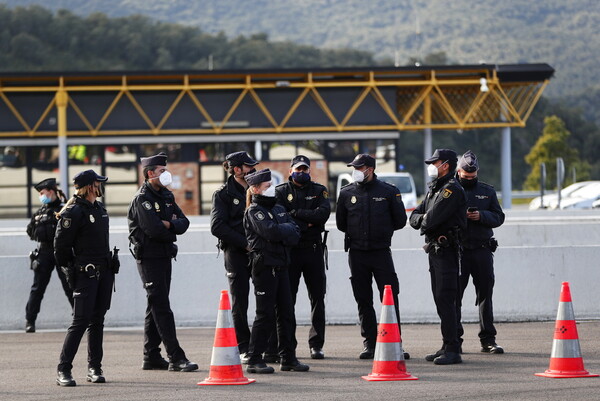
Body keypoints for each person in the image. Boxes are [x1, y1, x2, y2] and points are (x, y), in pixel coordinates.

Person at [127, 152, 198, 372]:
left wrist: (169, 225)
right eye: (162, 171)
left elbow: (184, 223)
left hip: (164, 255)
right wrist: (169, 225)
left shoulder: (166, 196)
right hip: (149, 258)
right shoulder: (142, 199)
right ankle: (176, 357)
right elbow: (154, 230)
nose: (166, 174)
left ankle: (151, 356)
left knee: (155, 304)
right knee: (161, 307)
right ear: (150, 174)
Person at [335, 154, 408, 360]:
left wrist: (381, 231)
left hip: (381, 252)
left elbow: (400, 221)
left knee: (390, 299)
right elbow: (342, 223)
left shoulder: (388, 191)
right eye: (354, 167)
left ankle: (395, 342)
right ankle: (370, 343)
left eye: (359, 167)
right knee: (363, 299)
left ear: (370, 169)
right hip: (357, 253)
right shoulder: (346, 193)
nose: (356, 170)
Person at [243, 168, 309, 374]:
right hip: (264, 267)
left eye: (271, 185)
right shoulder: (254, 211)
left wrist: (283, 231)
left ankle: (288, 358)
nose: (271, 189)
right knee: (265, 315)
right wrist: (284, 231)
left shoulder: (278, 208)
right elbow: (270, 232)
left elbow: (295, 232)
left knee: (287, 313)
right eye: (267, 186)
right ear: (255, 189)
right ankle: (255, 358)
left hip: (282, 265)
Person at [54, 170, 116, 386]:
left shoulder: (99, 209)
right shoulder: (73, 212)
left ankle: (94, 368)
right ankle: (64, 369)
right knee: (80, 322)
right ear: (91, 186)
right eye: (99, 183)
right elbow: (60, 248)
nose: (101, 187)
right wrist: (73, 271)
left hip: (104, 272)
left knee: (97, 321)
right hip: (85, 273)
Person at [409, 149, 467, 365]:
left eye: (436, 162)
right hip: (434, 250)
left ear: (446, 165)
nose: (432, 165)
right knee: (439, 299)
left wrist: (423, 218)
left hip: (447, 250)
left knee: (447, 298)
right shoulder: (435, 189)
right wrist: (422, 218)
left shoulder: (451, 190)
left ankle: (453, 349)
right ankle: (446, 344)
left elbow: (427, 221)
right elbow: (413, 217)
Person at [275, 155, 330, 359]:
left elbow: (322, 215)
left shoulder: (319, 190)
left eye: (305, 169)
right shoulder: (280, 192)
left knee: (317, 298)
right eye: (298, 169)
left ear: (309, 171)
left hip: (313, 250)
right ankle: (288, 345)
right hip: (290, 251)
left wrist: (296, 214)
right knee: (287, 300)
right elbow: (282, 218)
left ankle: (316, 344)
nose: (301, 172)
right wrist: (306, 220)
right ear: (290, 171)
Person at [210, 151, 259, 363]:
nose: (252, 170)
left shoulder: (257, 189)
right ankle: (244, 346)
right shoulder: (222, 194)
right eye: (248, 167)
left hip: (259, 252)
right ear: (237, 169)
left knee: (267, 298)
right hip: (236, 253)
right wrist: (244, 243)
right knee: (240, 301)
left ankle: (266, 346)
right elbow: (217, 226)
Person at [455, 150, 505, 354]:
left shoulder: (487, 191)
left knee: (485, 296)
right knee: (454, 297)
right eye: (466, 177)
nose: (469, 180)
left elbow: (499, 217)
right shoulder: (450, 190)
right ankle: (454, 340)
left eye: (473, 177)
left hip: (482, 250)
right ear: (458, 171)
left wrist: (481, 216)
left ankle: (488, 340)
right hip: (458, 251)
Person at [25, 178, 73, 333]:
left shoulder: (64, 209)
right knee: (37, 288)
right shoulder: (40, 213)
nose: (41, 196)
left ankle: (81, 318)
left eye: (42, 193)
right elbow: (30, 231)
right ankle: (30, 321)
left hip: (61, 251)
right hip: (44, 252)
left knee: (70, 286)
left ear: (51, 191)